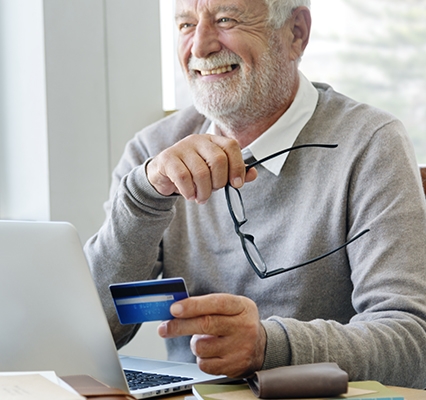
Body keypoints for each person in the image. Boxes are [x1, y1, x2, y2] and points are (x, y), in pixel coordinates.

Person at [84, 0, 426, 389]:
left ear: (296, 32)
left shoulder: (370, 143)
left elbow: (414, 342)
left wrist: (269, 345)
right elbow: (95, 330)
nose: (199, 47)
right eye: (185, 25)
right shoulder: (153, 152)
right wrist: (143, 197)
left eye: (226, 19)